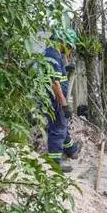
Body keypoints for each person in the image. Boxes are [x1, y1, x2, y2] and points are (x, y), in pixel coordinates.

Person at [44, 31, 81, 172]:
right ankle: (54, 164)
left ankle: (71, 149)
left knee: (62, 125)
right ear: (62, 42)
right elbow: (55, 83)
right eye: (69, 47)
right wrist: (64, 104)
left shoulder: (55, 53)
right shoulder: (52, 54)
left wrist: (66, 69)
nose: (69, 51)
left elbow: (57, 75)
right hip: (55, 100)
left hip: (58, 99)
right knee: (58, 128)